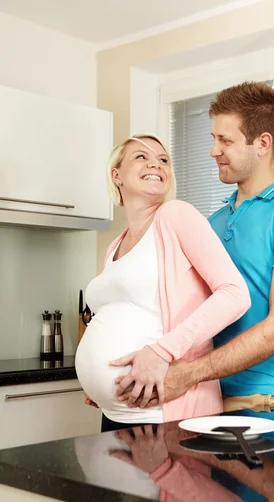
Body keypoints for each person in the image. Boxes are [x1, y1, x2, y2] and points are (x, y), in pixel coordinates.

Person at [115, 82, 274, 424]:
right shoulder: (211, 222)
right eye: (214, 139)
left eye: (225, 140)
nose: (214, 151)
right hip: (204, 406)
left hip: (271, 408)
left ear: (262, 143)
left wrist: (188, 373)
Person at [76, 133, 250, 432]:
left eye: (163, 160)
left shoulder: (175, 215)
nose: (155, 164)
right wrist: (97, 379)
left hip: (165, 413)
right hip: (116, 412)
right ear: (116, 175)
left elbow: (235, 294)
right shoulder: (115, 246)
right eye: (141, 157)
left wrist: (161, 352)